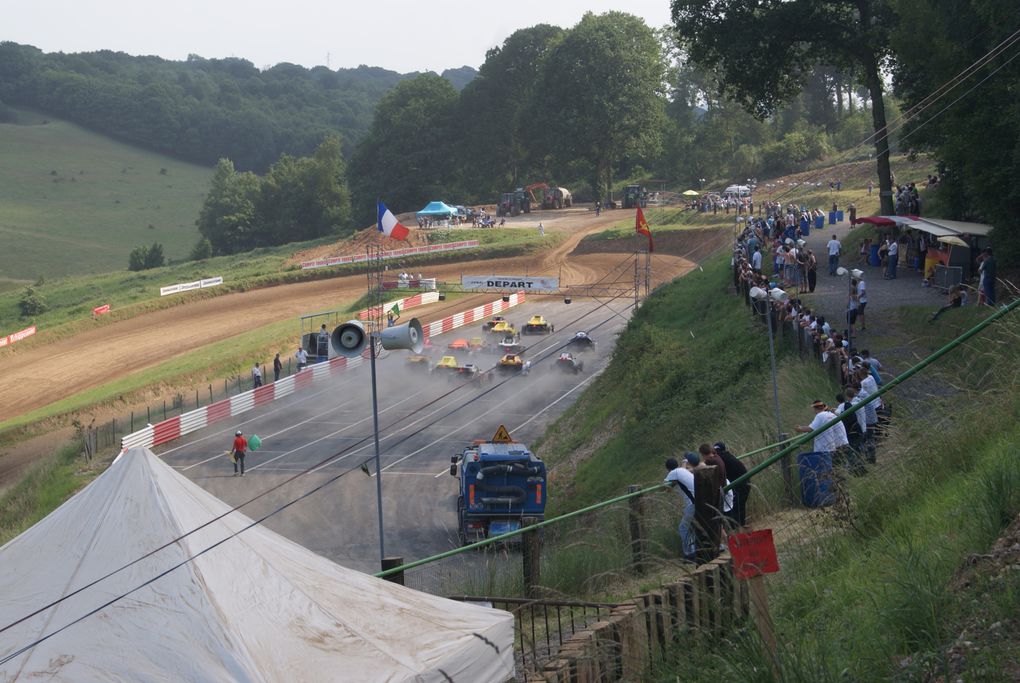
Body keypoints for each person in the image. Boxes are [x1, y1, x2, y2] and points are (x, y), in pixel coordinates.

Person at [664, 455, 697, 561]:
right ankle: (693, 550)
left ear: (668, 468)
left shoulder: (673, 473)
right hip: (698, 500)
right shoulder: (682, 470)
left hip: (692, 503)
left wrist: (671, 483)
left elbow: (666, 488)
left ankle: (689, 554)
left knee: (683, 527)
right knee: (690, 527)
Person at [713, 442, 749, 527]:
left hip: (740, 484)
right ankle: (739, 527)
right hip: (744, 482)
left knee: (736, 506)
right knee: (739, 506)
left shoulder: (720, 458)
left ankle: (736, 529)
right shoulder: (727, 455)